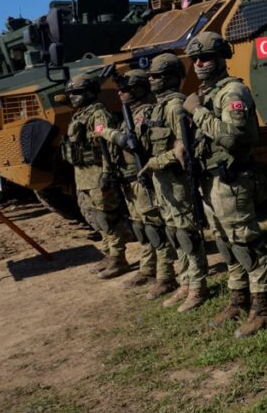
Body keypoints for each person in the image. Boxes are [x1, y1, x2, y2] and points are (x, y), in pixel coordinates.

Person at [183, 31, 267, 338]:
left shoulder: (232, 92)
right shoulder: (210, 93)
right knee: (225, 244)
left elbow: (233, 138)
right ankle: (238, 300)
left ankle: (263, 307)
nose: (199, 63)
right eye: (195, 58)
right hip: (211, 180)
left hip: (231, 180)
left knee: (246, 244)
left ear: (221, 58)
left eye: (206, 57)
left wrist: (197, 113)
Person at [139, 52, 210, 310]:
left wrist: (153, 163)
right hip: (163, 183)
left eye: (156, 76)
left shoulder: (175, 106)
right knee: (174, 234)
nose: (151, 79)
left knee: (188, 235)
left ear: (170, 78)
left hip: (177, 182)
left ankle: (198, 287)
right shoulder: (159, 107)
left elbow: (185, 148)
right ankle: (185, 283)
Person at [99, 69, 176, 292]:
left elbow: (132, 143)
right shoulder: (128, 115)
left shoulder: (147, 112)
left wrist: (107, 133)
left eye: (126, 89)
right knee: (140, 228)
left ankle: (165, 276)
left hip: (143, 178)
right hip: (128, 178)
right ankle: (147, 268)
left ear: (140, 89)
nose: (121, 93)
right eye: (120, 90)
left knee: (154, 228)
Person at [61, 72, 129, 279]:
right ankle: (109, 254)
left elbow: (108, 146)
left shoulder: (99, 114)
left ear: (90, 92)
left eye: (77, 93)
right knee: (97, 217)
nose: (72, 97)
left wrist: (108, 172)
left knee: (109, 217)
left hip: (99, 173)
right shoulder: (80, 114)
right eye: (70, 93)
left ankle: (119, 258)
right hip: (84, 175)